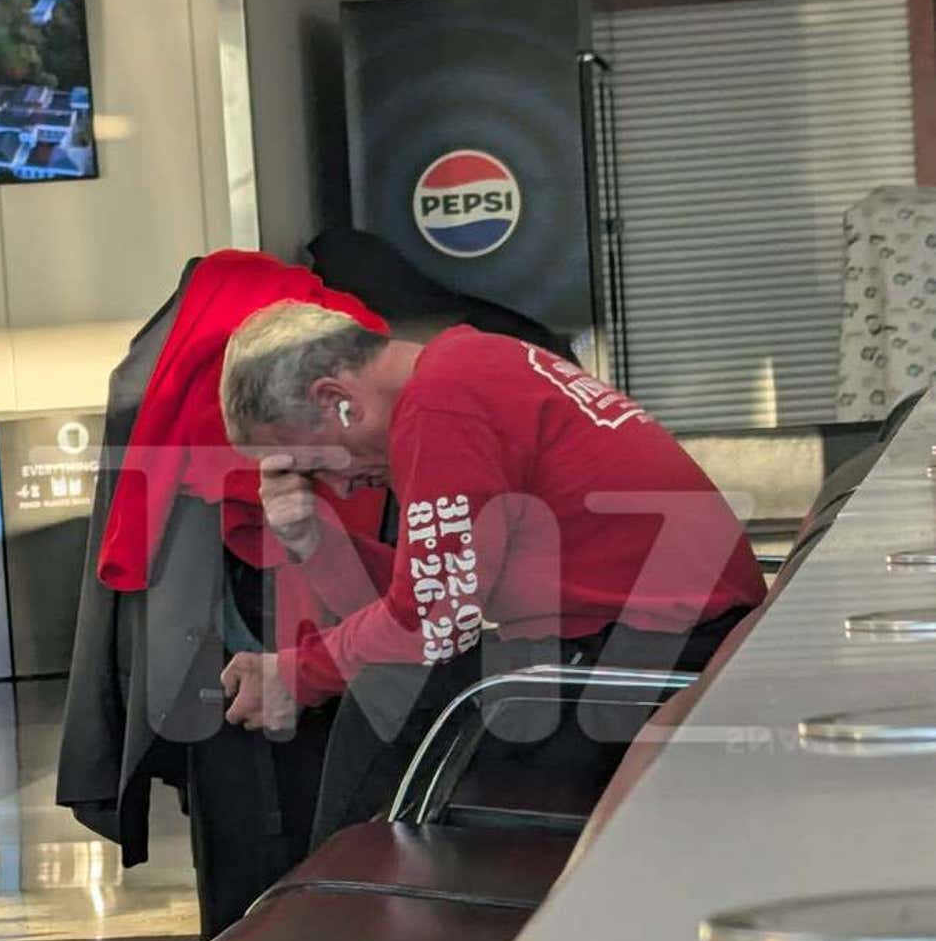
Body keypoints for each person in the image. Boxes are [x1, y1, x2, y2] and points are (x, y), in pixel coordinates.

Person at [218, 302, 768, 843]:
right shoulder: (466, 362)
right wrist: (316, 543)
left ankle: (333, 913)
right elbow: (435, 591)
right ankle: (340, 907)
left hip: (655, 663)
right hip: (666, 644)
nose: (338, 489)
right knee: (376, 686)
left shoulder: (441, 407)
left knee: (387, 694)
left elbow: (429, 626)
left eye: (317, 466)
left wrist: (296, 675)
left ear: (337, 401)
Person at [56, 251, 391, 940]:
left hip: (215, 649)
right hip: (338, 649)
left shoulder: (161, 368)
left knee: (241, 843)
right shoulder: (361, 354)